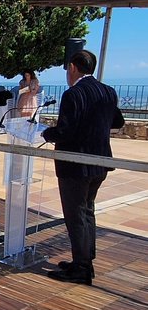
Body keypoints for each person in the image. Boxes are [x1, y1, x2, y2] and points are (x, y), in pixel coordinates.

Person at [43, 50, 124, 285]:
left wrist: (46, 133)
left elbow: (65, 131)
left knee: (75, 215)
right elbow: (118, 121)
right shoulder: (108, 91)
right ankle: (85, 260)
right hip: (100, 163)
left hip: (75, 165)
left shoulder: (73, 94)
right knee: (87, 210)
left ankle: (81, 268)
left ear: (73, 68)